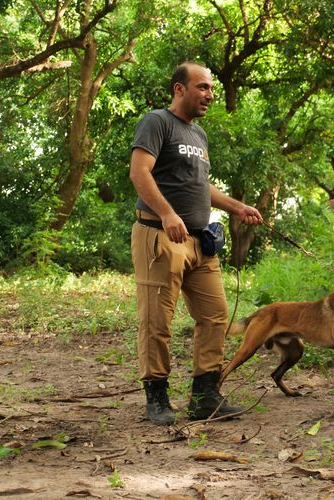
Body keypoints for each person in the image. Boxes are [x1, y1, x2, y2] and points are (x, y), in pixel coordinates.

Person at [130, 61, 262, 425]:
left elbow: (201, 186)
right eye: (202, 87)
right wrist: (168, 214)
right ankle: (156, 398)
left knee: (216, 315)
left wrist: (236, 207)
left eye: (212, 89)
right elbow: (139, 173)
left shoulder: (199, 135)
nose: (210, 95)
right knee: (157, 320)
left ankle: (205, 394)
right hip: (159, 236)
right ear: (179, 89)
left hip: (199, 242)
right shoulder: (157, 122)